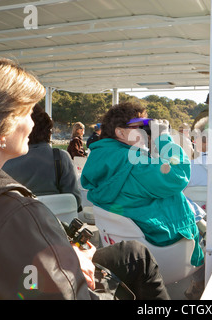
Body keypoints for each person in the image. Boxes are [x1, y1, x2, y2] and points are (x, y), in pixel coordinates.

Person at [0, 53, 169, 300]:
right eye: (26, 113)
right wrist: (67, 266)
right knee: (136, 257)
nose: (31, 125)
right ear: (0, 125)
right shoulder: (20, 214)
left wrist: (64, 254)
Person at [80, 102, 204, 269]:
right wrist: (163, 139)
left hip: (126, 241)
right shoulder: (133, 162)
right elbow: (178, 175)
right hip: (158, 244)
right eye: (141, 127)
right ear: (120, 132)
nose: (146, 132)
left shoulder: (101, 156)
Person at [2, 105, 83, 212]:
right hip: (57, 224)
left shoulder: (5, 161)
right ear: (48, 131)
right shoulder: (60, 157)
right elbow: (75, 201)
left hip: (19, 224)